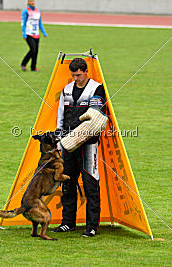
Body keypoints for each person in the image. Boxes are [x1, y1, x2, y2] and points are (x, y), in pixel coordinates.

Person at [52, 58, 106, 237]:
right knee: (67, 183)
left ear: (85, 71)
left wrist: (75, 135)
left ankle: (91, 226)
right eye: (73, 75)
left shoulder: (96, 88)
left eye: (78, 75)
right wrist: (60, 141)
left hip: (89, 144)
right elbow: (61, 115)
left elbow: (95, 117)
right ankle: (68, 223)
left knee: (90, 185)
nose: (75, 78)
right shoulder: (67, 90)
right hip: (68, 144)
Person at [20, 0, 47, 72]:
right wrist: (24, 33)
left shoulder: (37, 11)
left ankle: (33, 67)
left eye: (33, 1)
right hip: (29, 33)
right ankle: (23, 63)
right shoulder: (25, 11)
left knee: (36, 51)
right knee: (33, 49)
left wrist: (44, 32)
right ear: (28, 2)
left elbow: (40, 23)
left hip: (36, 33)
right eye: (31, 1)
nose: (32, 2)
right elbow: (23, 23)